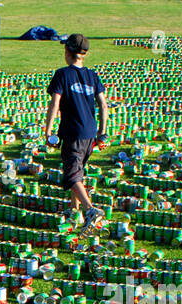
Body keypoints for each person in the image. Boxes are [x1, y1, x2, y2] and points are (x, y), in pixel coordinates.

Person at [43, 33, 107, 230]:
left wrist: (48, 130)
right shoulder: (93, 75)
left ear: (67, 52)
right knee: (78, 169)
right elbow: (103, 105)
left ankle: (90, 209)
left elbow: (55, 103)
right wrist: (102, 132)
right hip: (90, 132)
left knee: (72, 174)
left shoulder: (62, 74)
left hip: (73, 132)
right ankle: (74, 209)